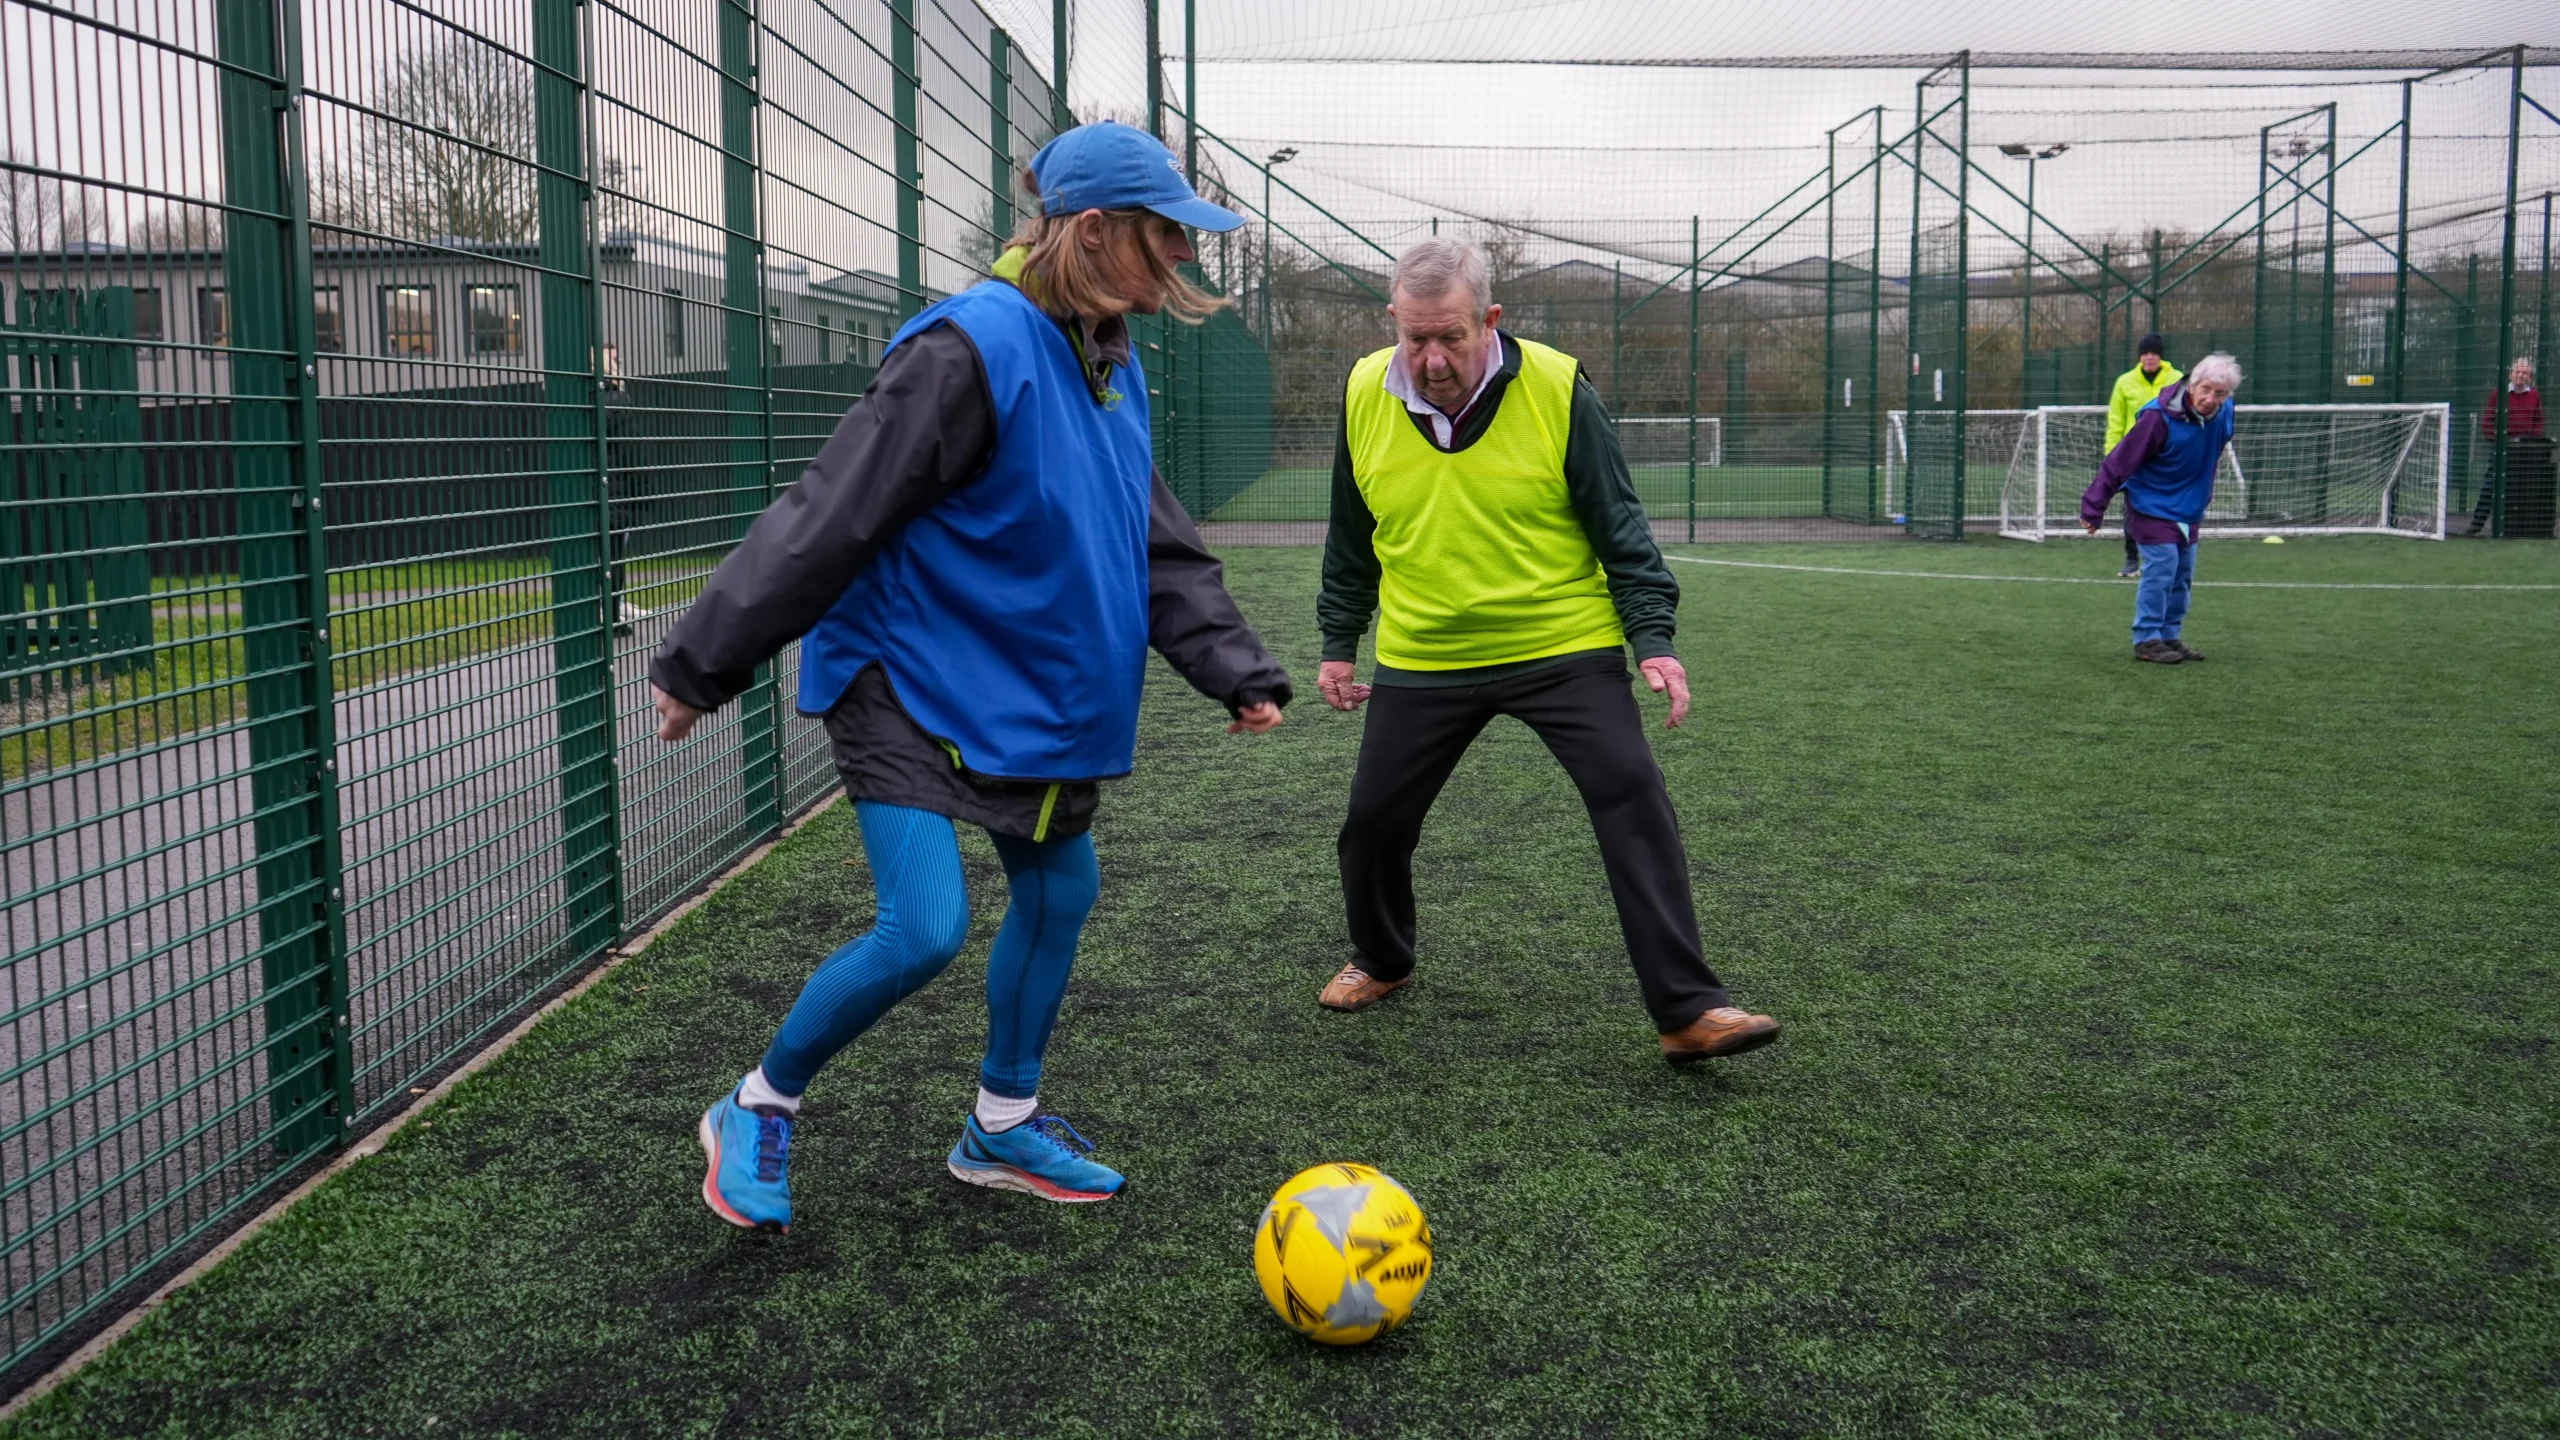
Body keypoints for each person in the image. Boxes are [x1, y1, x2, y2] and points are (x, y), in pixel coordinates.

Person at [648, 122, 1291, 1227]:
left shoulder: (1112, 363)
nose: (1184, 259)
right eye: (1167, 237)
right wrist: (704, 661)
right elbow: (829, 513)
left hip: (1024, 691)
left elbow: (1154, 544)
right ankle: (755, 1105)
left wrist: (1233, 667)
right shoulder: (965, 349)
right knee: (924, 927)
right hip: (904, 679)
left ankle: (999, 1125)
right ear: (1094, 233)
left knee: (1061, 888)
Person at [1314, 236, 1779, 1065]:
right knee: (1372, 824)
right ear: (1394, 323)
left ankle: (1688, 1010)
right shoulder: (1360, 389)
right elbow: (1353, 531)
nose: (1430, 359)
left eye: (1450, 336)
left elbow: (1620, 525)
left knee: (1632, 793)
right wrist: (1338, 640)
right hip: (1427, 651)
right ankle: (1383, 960)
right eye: (1413, 338)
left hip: (1560, 642)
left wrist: (1653, 638)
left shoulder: (1560, 388)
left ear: (1490, 319)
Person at [2082, 353, 2243, 665]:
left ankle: (2170, 635)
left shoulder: (2225, 414)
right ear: (2192, 384)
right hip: (2151, 503)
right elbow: (2120, 460)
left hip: (2190, 506)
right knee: (2163, 567)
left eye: (2220, 394)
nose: (2211, 399)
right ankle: (2147, 637)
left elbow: (2215, 446)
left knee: (2183, 573)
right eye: (2206, 389)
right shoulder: (2157, 417)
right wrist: (2094, 507)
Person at [2103, 334, 2181, 578]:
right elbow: (2116, 420)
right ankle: (2132, 559)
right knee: (2132, 509)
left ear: (2161, 356)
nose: (2149, 357)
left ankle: (2172, 556)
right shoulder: (2124, 382)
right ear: (2139, 356)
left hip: (2168, 456)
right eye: (2145, 353)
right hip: (2133, 457)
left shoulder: (2177, 380)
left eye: (2154, 353)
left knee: (2171, 507)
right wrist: (2112, 456)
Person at [2468, 357, 2545, 536]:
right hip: (2502, 447)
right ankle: (2476, 524)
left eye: (2524, 373)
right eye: (2517, 372)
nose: (2520, 376)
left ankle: (2518, 526)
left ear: (2530, 376)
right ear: (2511, 374)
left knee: (2523, 486)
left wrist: (2532, 439)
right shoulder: (2499, 394)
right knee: (2490, 485)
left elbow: (2539, 420)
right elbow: (2487, 421)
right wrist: (2496, 440)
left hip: (2525, 448)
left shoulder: (2534, 395)